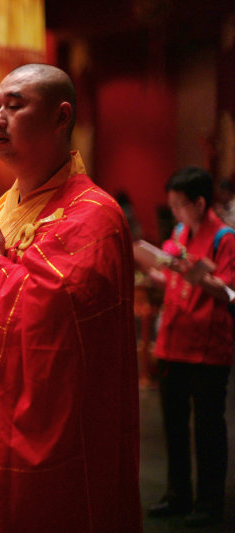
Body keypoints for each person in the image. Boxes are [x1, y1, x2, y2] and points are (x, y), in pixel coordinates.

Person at [0, 64, 141, 532]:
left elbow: (57, 324)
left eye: (15, 106)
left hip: (43, 433)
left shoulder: (95, 216)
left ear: (61, 117)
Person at [146, 166, 233, 528]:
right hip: (174, 340)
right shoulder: (180, 232)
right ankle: (177, 494)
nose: (175, 213)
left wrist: (199, 275)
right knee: (175, 426)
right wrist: (147, 265)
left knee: (209, 427)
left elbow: (229, 291)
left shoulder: (225, 238)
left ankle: (209, 501)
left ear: (200, 203)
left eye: (180, 206)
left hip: (208, 345)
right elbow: (168, 279)